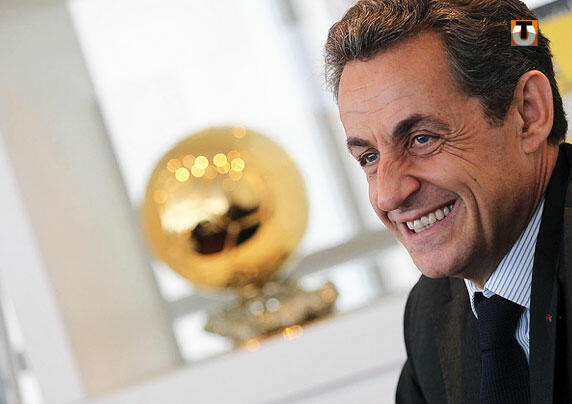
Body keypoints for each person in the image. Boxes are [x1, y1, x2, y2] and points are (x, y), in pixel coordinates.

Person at [324, 0, 571, 403]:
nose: (388, 193)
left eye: (422, 139)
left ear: (528, 113)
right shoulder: (431, 311)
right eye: (369, 157)